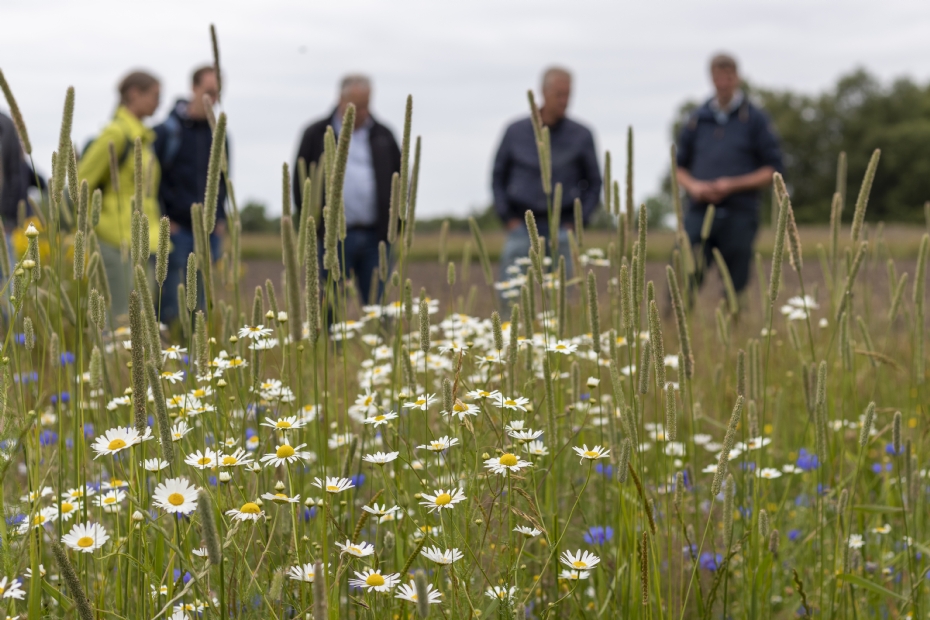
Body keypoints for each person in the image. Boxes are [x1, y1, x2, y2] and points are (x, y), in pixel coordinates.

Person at [676, 53, 783, 294]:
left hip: (740, 214)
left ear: (737, 78)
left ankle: (733, 327)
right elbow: (678, 167)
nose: (723, 84)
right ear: (711, 79)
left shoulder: (755, 119)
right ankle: (673, 326)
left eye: (728, 77)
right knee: (683, 277)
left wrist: (731, 185)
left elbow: (772, 170)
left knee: (735, 286)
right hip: (699, 211)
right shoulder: (696, 119)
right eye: (718, 78)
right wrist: (694, 187)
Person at [293, 74, 400, 306]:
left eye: (365, 106)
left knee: (379, 306)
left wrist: (396, 226)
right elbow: (300, 184)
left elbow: (400, 181)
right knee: (327, 305)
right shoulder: (316, 133)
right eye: (355, 105)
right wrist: (314, 227)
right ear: (340, 99)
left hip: (377, 237)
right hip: (330, 239)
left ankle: (378, 340)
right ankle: (329, 342)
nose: (360, 112)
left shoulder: (384, 134)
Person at [492, 66, 601, 284]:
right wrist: (508, 219)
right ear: (543, 92)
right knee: (512, 295)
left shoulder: (581, 135)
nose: (564, 101)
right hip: (520, 228)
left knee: (560, 296)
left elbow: (594, 183)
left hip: (562, 228)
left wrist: (578, 223)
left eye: (568, 95)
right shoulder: (515, 132)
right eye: (558, 95)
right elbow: (497, 177)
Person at [78, 70, 162, 320]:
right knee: (121, 320)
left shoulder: (143, 138)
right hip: (115, 242)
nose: (159, 102)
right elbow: (80, 184)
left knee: (142, 320)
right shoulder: (116, 134)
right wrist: (93, 231)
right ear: (134, 94)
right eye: (155, 95)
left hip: (142, 241)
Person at [153, 65, 227, 325]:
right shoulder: (167, 131)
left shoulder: (219, 134)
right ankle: (164, 349)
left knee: (200, 301)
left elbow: (223, 180)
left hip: (208, 231)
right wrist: (165, 220)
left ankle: (198, 351)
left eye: (217, 93)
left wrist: (220, 219)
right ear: (194, 88)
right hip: (176, 228)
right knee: (169, 297)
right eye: (208, 91)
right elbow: (153, 180)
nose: (213, 98)